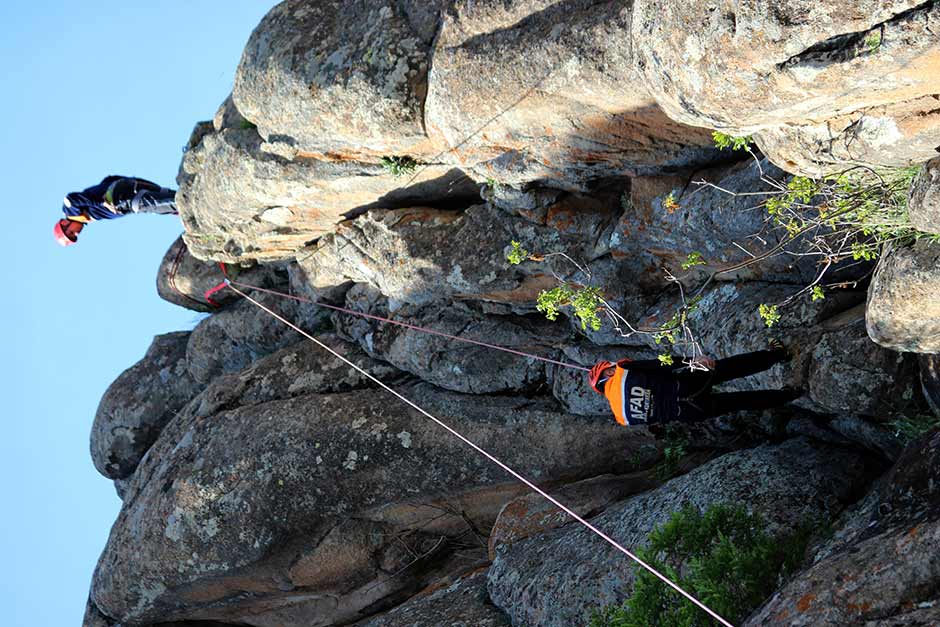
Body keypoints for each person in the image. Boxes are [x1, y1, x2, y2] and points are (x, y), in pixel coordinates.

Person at [588, 340, 800, 426]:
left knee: (740, 401)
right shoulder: (623, 371)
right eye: (610, 365)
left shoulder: (622, 417)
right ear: (607, 371)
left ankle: (789, 395)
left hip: (688, 412)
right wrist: (691, 361)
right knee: (729, 368)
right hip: (685, 384)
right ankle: (778, 354)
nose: (614, 365)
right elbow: (661, 364)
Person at [53, 175, 178, 246]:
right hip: (129, 191)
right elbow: (108, 179)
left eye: (70, 233)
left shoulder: (71, 211)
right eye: (74, 237)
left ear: (64, 223)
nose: (76, 234)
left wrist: (103, 202)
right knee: (164, 200)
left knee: (155, 204)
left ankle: (181, 204)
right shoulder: (85, 217)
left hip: (123, 198)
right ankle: (180, 206)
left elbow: (70, 199)